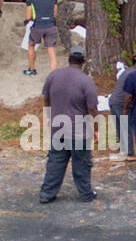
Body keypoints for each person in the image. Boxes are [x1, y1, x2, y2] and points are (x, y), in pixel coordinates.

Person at [39, 48, 99, 203]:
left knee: (55, 162)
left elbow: (46, 98)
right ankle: (86, 194)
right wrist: (97, 128)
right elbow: (92, 108)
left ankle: (47, 194)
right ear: (83, 61)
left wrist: (48, 117)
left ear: (69, 59)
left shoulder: (53, 76)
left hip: (58, 129)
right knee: (82, 164)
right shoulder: (86, 81)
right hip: (79, 132)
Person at [24, 0, 59, 76]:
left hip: (38, 26)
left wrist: (27, 21)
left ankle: (32, 69)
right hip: (51, 25)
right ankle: (53, 73)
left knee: (31, 45)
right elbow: (55, 12)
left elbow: (28, 16)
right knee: (51, 49)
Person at [107, 62, 133, 162]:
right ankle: (129, 153)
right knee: (127, 128)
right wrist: (126, 108)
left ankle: (123, 151)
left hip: (113, 101)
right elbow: (129, 94)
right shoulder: (134, 74)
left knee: (120, 128)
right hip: (121, 103)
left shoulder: (127, 72)